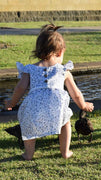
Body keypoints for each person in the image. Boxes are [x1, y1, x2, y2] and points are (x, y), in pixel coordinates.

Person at [5, 23, 94, 160]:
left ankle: (28, 154)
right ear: (59, 52)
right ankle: (65, 152)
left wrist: (12, 102)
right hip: (56, 108)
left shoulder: (29, 69)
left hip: (34, 108)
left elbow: (20, 89)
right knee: (65, 122)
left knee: (29, 126)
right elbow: (75, 93)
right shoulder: (63, 70)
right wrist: (83, 105)